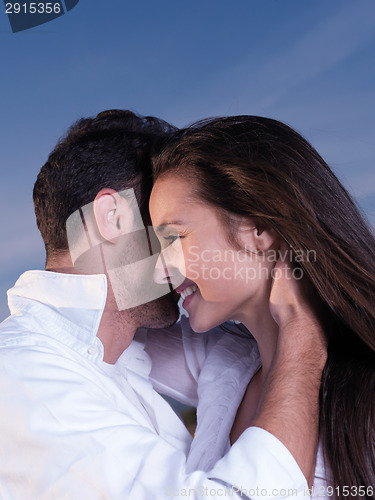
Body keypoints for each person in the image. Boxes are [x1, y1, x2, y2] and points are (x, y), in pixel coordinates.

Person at [0, 110, 326, 499]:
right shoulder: (26, 377)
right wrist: (304, 337)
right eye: (162, 233)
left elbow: (239, 335)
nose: (177, 263)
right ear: (112, 218)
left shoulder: (113, 347)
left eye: (177, 232)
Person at [150, 115, 375, 500]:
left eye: (174, 237)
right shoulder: (225, 367)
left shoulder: (364, 399)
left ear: (258, 227)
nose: (159, 270)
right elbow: (92, 339)